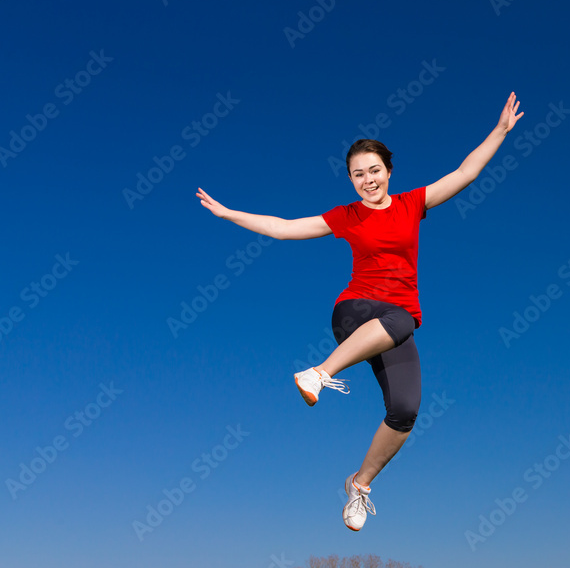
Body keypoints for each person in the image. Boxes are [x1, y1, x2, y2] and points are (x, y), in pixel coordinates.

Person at [196, 92, 524, 531]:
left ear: (388, 171)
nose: (367, 180)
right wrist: (230, 214)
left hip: (397, 321)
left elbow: (465, 172)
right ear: (350, 180)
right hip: (355, 311)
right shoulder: (347, 215)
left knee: (406, 410)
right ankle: (319, 373)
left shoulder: (412, 205)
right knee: (401, 318)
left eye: (374, 171)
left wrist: (500, 131)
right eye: (358, 175)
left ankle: (359, 485)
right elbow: (286, 228)